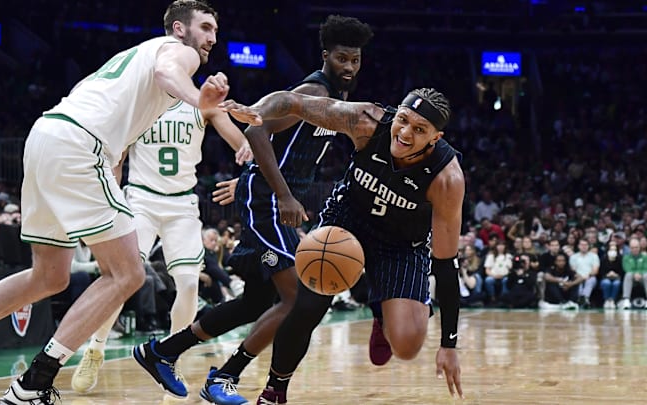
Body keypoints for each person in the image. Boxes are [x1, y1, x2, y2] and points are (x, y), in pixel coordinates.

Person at [0, 2, 234, 404]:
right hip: (79, 147)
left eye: (215, 30)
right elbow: (169, 71)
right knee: (128, 273)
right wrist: (201, 101)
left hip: (45, 136)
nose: (212, 37)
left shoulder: (130, 58)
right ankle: (35, 383)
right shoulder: (179, 51)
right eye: (205, 27)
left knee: (48, 276)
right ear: (179, 29)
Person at [131, 15, 373, 405]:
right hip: (268, 201)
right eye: (342, 58)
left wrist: (260, 186)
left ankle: (160, 352)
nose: (349, 67)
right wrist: (281, 195)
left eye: (355, 60)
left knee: (256, 303)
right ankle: (224, 377)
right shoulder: (312, 89)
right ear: (326, 56)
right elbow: (256, 129)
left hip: (266, 194)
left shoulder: (341, 99)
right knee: (299, 299)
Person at [222, 86, 465, 402]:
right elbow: (296, 102)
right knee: (307, 304)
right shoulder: (366, 121)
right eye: (403, 120)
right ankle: (275, 390)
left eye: (419, 130)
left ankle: (380, 307)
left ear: (436, 137)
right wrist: (259, 109)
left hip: (402, 244)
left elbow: (446, 264)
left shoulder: (447, 179)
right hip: (349, 217)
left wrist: (449, 344)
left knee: (406, 346)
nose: (405, 133)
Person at [70, 98, 251, 393]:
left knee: (190, 285)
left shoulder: (202, 103)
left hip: (181, 204)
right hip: (141, 200)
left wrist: (246, 153)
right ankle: (96, 348)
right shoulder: (139, 103)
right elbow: (117, 161)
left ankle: (168, 355)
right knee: (123, 279)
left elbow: (240, 141)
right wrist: (111, 200)